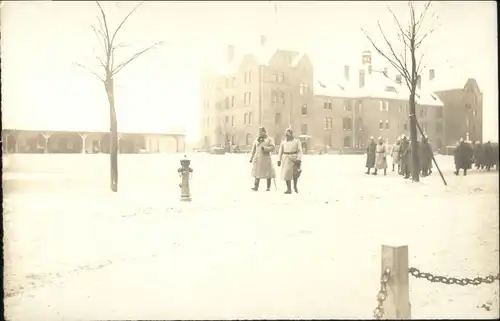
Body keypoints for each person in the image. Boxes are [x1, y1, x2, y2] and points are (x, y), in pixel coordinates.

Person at [249, 126, 276, 191]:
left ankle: (268, 187)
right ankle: (256, 186)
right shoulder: (257, 139)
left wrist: (265, 148)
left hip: (266, 158)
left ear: (264, 132)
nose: (260, 133)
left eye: (261, 132)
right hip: (258, 158)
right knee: (257, 172)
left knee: (268, 173)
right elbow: (254, 149)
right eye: (259, 132)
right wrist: (251, 158)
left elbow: (272, 148)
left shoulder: (269, 139)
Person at [277, 128, 303, 194]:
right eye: (286, 135)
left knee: (295, 174)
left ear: (291, 134)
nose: (287, 136)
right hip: (286, 158)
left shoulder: (297, 141)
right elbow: (280, 152)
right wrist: (279, 160)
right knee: (286, 174)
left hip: (294, 158)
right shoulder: (283, 142)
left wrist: (299, 159)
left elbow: (300, 151)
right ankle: (289, 189)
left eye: (288, 134)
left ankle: (295, 186)